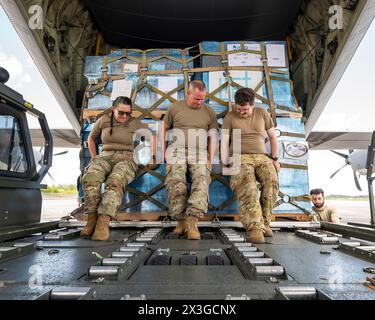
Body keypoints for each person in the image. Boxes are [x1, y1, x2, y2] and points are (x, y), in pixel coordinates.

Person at [81, 96, 155, 241]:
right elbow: (91, 138)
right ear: (114, 109)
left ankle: (103, 221)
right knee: (90, 177)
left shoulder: (135, 123)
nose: (125, 116)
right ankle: (91, 218)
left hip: (127, 157)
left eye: (128, 113)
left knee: (115, 180)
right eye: (121, 112)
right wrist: (94, 157)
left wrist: (151, 156)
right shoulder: (103, 120)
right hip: (105, 155)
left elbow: (151, 136)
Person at [221, 88, 280, 244]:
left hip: (262, 157)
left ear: (252, 105)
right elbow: (225, 142)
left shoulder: (262, 113)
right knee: (248, 185)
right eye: (239, 108)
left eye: (245, 109)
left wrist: (274, 159)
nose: (241, 112)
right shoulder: (230, 116)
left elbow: (273, 137)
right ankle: (254, 228)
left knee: (272, 182)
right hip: (239, 157)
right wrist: (224, 160)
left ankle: (265, 223)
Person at [163, 80, 218, 240]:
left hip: (199, 151)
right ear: (188, 94)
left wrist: (210, 157)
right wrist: (164, 152)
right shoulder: (175, 107)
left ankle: (192, 222)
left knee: (201, 180)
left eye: (203, 99)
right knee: (175, 181)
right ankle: (180, 221)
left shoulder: (209, 112)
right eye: (196, 99)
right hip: (176, 150)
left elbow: (213, 136)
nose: (200, 102)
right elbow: (164, 128)